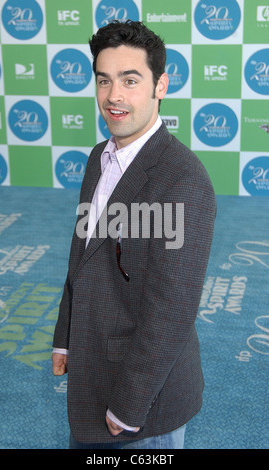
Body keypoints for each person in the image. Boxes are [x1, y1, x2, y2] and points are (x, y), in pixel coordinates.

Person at [52, 20, 216, 449]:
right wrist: (65, 338)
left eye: (130, 80)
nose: (114, 96)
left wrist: (129, 406)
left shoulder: (182, 180)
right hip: (91, 374)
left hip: (143, 409)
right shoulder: (97, 157)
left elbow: (172, 311)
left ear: (160, 85)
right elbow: (82, 255)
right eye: (104, 80)